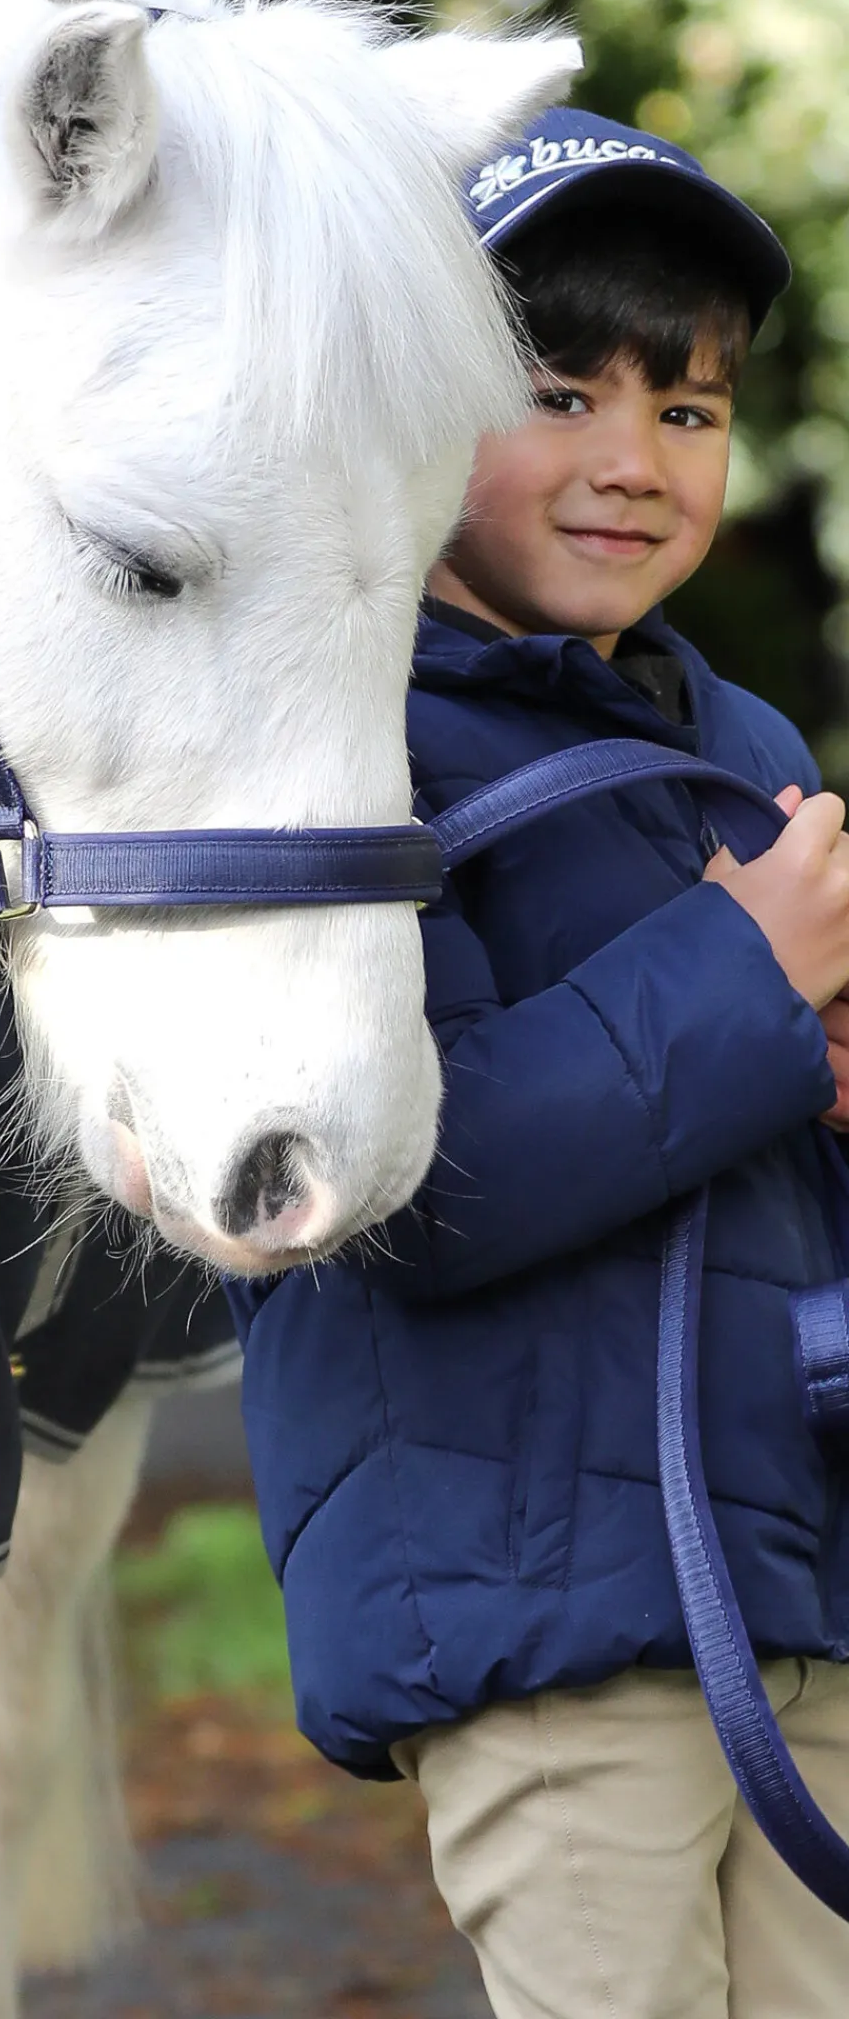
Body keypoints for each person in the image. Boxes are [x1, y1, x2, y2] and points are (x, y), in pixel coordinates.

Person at [234, 109, 849, 2018]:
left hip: (801, 1582)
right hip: (542, 1612)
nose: (629, 462)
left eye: (686, 409)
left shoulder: (740, 738)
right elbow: (413, 1180)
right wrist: (753, 983)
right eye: (560, 392)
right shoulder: (335, 755)